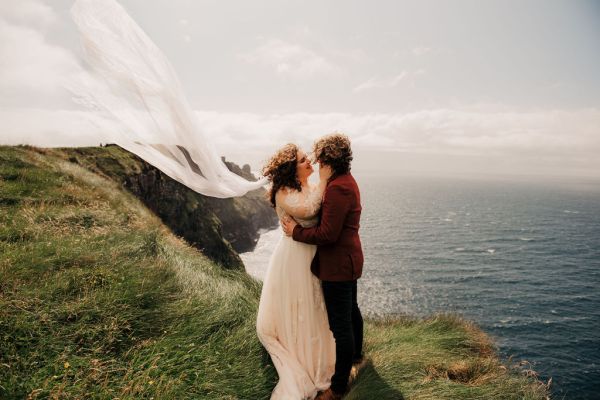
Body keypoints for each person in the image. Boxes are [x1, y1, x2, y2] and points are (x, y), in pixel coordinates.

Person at [282, 133, 364, 400]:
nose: (316, 162)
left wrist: (296, 232)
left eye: (319, 157)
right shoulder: (344, 181)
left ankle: (338, 388)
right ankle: (357, 358)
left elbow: (328, 234)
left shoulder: (339, 187)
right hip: (347, 259)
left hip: (338, 264)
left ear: (329, 158)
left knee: (341, 327)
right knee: (351, 313)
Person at [256, 143, 336, 399]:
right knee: (301, 307)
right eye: (303, 161)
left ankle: (321, 356)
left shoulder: (306, 186)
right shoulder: (283, 192)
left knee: (315, 307)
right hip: (294, 257)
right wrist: (324, 180)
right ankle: (304, 359)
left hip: (311, 252)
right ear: (292, 169)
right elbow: (309, 210)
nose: (309, 162)